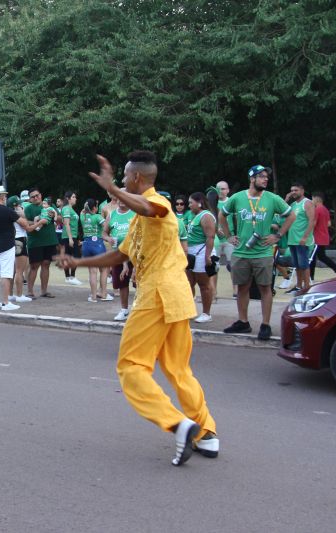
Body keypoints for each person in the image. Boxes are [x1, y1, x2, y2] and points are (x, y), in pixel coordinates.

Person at [58, 151, 217, 466]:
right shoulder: (138, 219)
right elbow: (120, 255)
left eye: (124, 178)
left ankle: (179, 424)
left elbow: (147, 206)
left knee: (131, 368)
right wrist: (79, 261)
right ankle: (207, 435)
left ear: (137, 178)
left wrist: (113, 191)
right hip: (175, 296)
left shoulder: (159, 204)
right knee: (178, 369)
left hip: (156, 295)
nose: (120, 182)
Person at [219, 165, 295, 340]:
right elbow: (222, 215)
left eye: (266, 176)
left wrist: (278, 235)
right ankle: (243, 322)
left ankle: (265, 325)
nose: (265, 179)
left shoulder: (272, 198)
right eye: (261, 176)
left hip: (263, 252)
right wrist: (229, 236)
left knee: (265, 288)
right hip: (241, 252)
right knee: (242, 288)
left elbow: (291, 216)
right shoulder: (237, 198)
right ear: (252, 179)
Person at [0, 186, 34, 310]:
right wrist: (21, 215)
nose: (6, 198)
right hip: (6, 245)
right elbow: (24, 224)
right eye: (5, 196)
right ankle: (6, 302)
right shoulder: (7, 211)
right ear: (2, 197)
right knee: (6, 274)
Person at [185, 192, 217, 323]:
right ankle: (189, 310)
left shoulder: (206, 216)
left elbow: (210, 237)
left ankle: (206, 313)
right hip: (192, 253)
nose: (189, 205)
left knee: (204, 284)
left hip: (202, 252)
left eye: (190, 202)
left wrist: (207, 256)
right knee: (189, 283)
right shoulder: (195, 216)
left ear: (199, 203)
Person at [103, 195, 135, 321]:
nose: (121, 201)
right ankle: (124, 310)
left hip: (134, 254)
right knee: (122, 283)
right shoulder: (112, 215)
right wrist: (108, 238)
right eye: (119, 199)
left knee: (139, 283)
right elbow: (104, 232)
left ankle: (139, 311)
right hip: (118, 254)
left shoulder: (135, 213)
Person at [23, 188, 57, 298]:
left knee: (46, 265)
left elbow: (60, 219)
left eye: (37, 195)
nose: (35, 198)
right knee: (34, 266)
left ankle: (44, 291)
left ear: (41, 195)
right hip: (35, 241)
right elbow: (23, 222)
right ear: (30, 199)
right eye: (33, 197)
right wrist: (38, 221)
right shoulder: (28, 208)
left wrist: (53, 216)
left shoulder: (49, 206)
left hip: (50, 240)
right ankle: (30, 291)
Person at [283, 183, 316, 294]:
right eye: (292, 190)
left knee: (304, 265)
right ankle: (298, 286)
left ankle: (307, 287)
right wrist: (286, 199)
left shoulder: (307, 203)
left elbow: (312, 221)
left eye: (296, 190)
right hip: (292, 239)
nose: (293, 192)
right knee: (296, 265)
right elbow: (281, 212)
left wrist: (305, 237)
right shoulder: (293, 205)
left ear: (302, 191)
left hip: (302, 240)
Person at [308, 192, 336, 279]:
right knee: (321, 257)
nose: (311, 201)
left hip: (317, 237)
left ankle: (311, 277)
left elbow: (313, 223)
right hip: (324, 236)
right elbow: (328, 223)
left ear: (316, 198)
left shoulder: (317, 209)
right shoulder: (325, 209)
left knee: (313, 258)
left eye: (312, 199)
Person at [80, 199, 110, 302]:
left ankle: (93, 297)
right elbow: (106, 227)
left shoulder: (82, 216)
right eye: (97, 206)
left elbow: (83, 210)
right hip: (98, 244)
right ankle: (104, 294)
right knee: (104, 270)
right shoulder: (97, 217)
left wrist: (86, 207)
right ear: (94, 208)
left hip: (86, 245)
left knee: (92, 272)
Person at [6, 195, 33, 303]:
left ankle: (9, 294)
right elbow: (25, 226)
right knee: (19, 270)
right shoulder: (17, 214)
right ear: (16, 205)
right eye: (19, 204)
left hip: (11, 240)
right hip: (20, 240)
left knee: (12, 270)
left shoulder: (7, 213)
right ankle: (19, 295)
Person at [61, 191, 83, 285]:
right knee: (76, 255)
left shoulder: (71, 209)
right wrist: (70, 238)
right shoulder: (66, 209)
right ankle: (71, 277)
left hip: (73, 236)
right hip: (68, 236)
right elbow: (66, 223)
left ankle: (69, 277)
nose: (75, 198)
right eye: (73, 197)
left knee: (70, 256)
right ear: (68, 198)